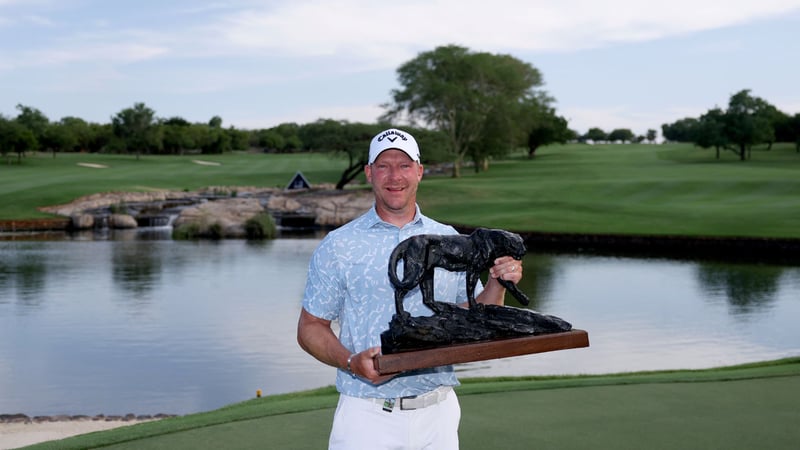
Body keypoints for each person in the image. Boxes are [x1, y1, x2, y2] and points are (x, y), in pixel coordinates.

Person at [297, 128, 523, 450]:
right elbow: (310, 327)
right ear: (368, 173)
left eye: (404, 165)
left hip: (438, 416)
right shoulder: (339, 245)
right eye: (383, 165)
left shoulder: (450, 238)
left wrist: (497, 282)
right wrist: (350, 362)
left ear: (419, 171)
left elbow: (474, 318)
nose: (394, 176)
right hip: (367, 417)